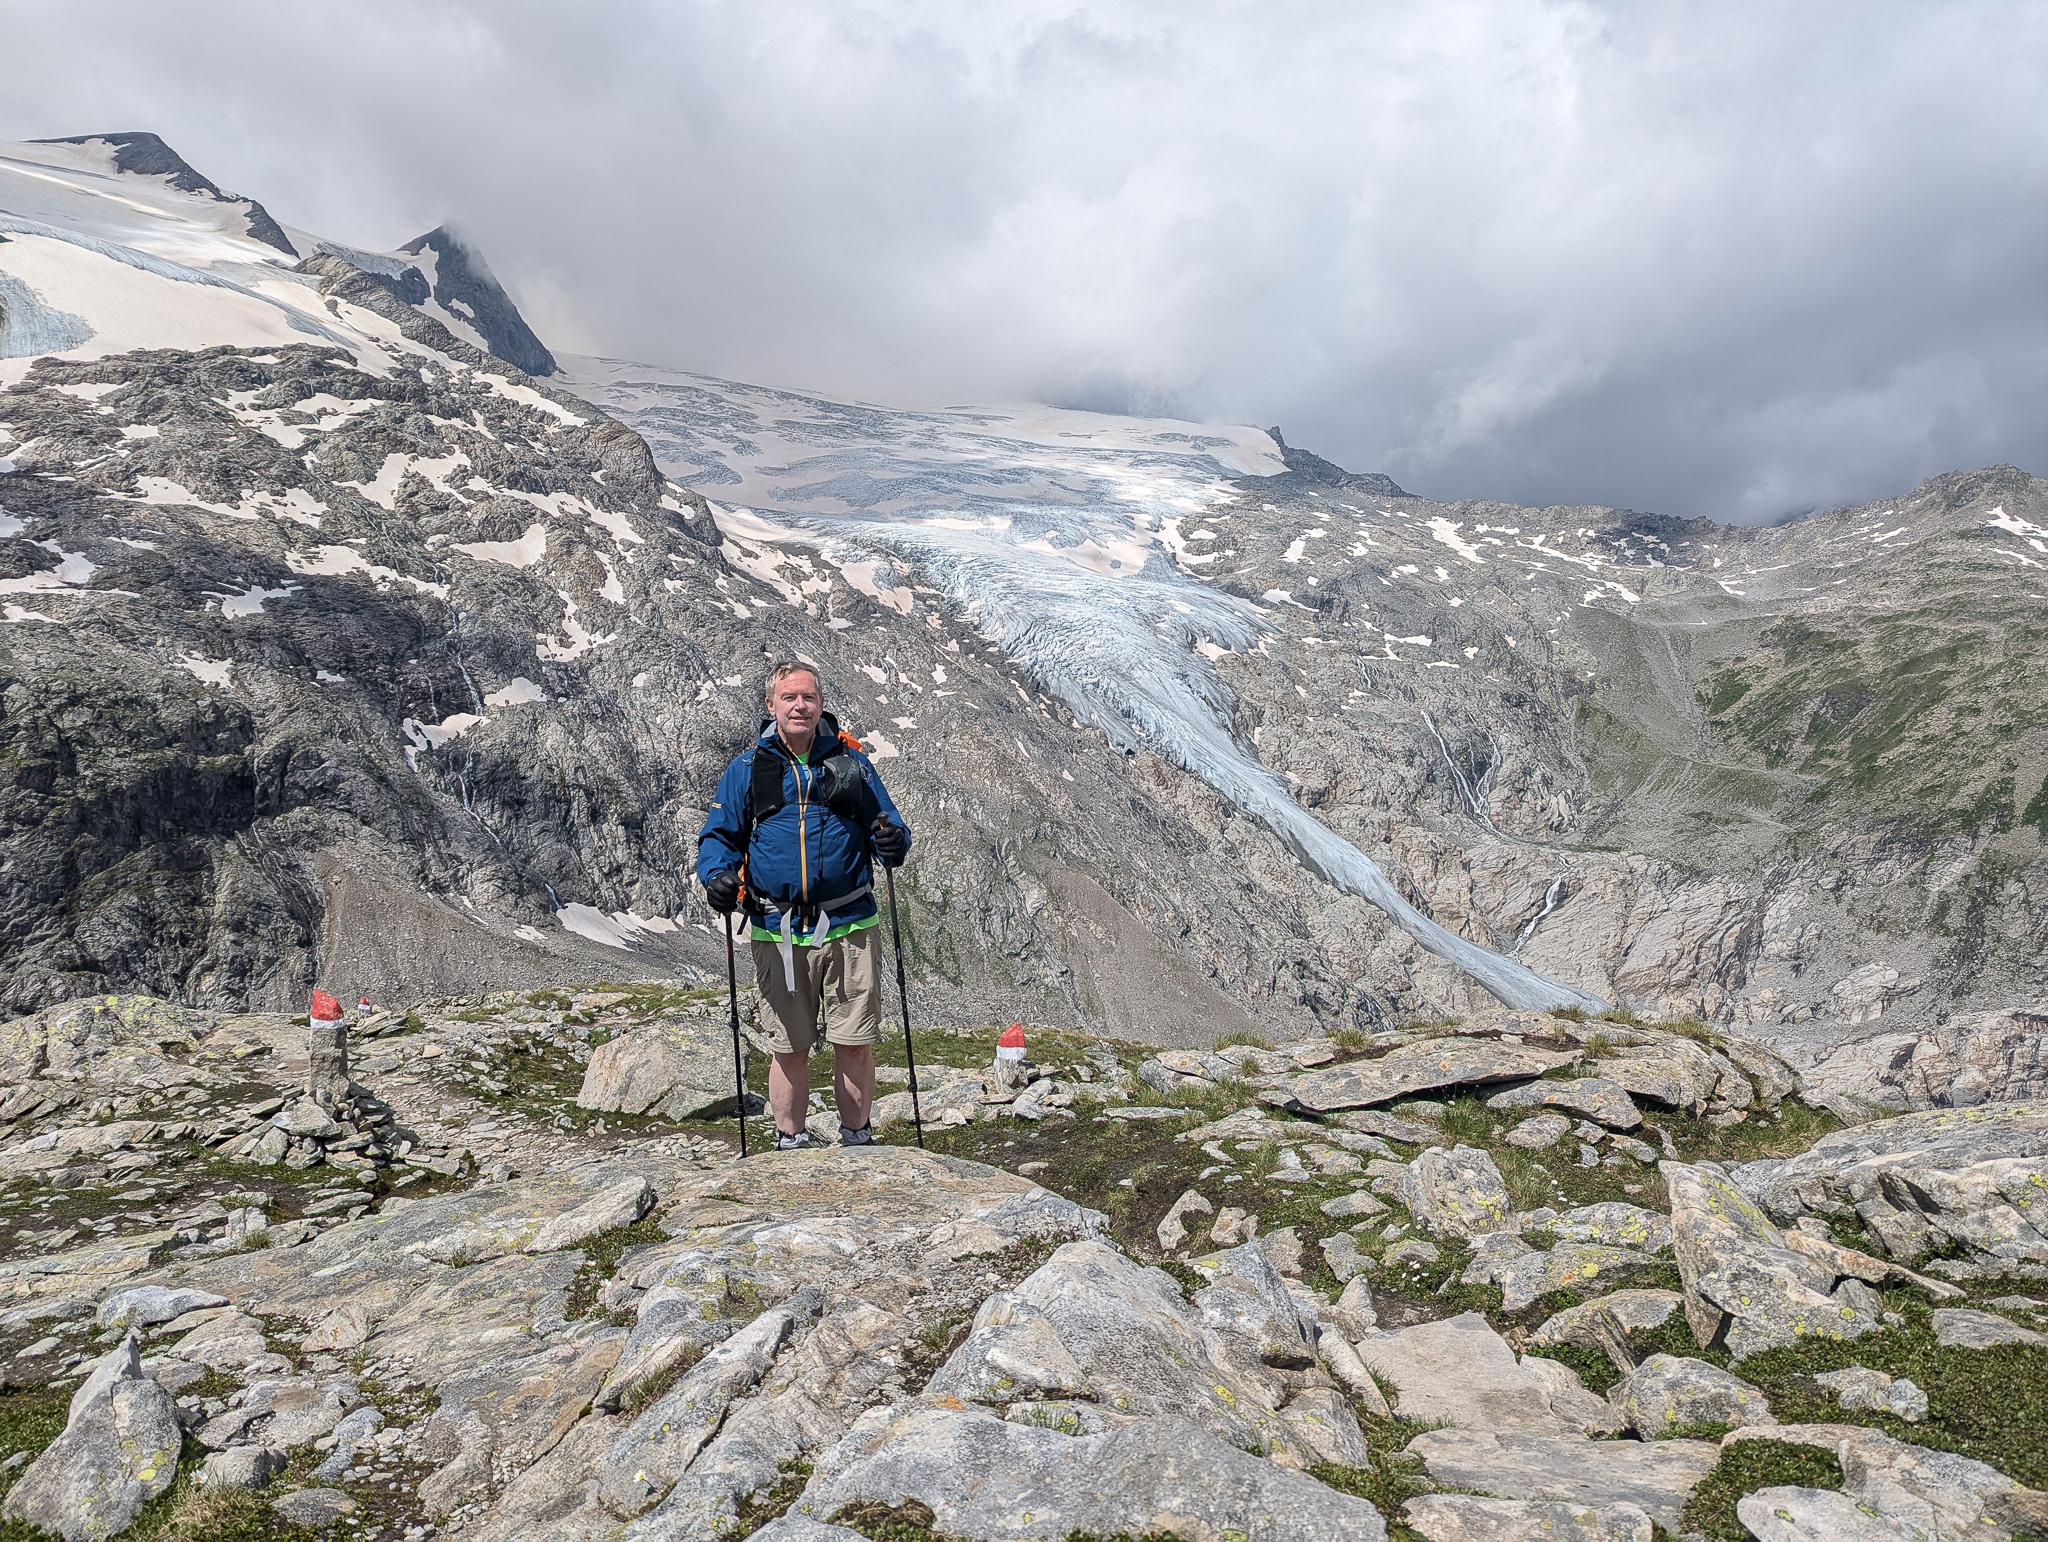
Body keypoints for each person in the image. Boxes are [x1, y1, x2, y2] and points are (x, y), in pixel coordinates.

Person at [697, 662, 911, 1150]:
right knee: (787, 1046)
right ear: (771, 706)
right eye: (789, 698)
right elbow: (719, 838)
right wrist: (717, 876)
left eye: (809, 698)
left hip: (850, 923)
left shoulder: (852, 764)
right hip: (777, 926)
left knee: (853, 1041)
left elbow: (890, 827)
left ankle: (857, 1139)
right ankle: (790, 1143)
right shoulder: (749, 769)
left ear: (821, 704)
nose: (800, 706)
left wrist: (894, 841)